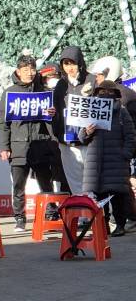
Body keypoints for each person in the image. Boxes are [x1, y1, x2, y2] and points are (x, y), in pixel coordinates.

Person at [0, 53, 59, 232]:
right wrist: (4, 147)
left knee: (45, 183)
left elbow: (51, 123)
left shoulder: (44, 92)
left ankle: (50, 214)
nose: (29, 73)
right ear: (18, 71)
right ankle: (19, 218)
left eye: (32, 69)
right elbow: (3, 123)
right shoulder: (10, 93)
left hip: (40, 144)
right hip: (18, 145)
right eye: (25, 70)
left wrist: (51, 114)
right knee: (18, 185)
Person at [79, 81, 136, 236]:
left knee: (117, 196)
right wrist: (87, 131)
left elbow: (131, 136)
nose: (105, 95)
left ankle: (120, 225)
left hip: (116, 161)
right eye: (102, 91)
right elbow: (81, 137)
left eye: (109, 92)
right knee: (98, 197)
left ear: (115, 94)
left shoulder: (122, 112)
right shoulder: (91, 110)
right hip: (95, 162)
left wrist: (125, 155)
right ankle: (101, 226)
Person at [52, 46, 90, 195]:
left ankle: (98, 213)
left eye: (72, 63)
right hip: (67, 141)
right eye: (65, 64)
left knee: (91, 179)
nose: (69, 67)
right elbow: (56, 109)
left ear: (79, 62)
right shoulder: (61, 84)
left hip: (88, 139)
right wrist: (52, 115)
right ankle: (82, 213)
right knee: (74, 180)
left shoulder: (91, 80)